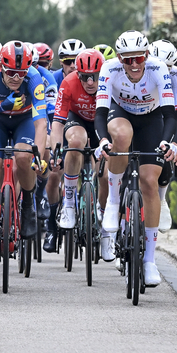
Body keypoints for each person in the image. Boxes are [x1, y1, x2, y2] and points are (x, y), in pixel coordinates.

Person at [95, 30, 177, 288]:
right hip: (121, 112)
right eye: (127, 59)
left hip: (152, 118)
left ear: (146, 55)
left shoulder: (158, 69)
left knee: (149, 182)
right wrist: (102, 140)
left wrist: (167, 141)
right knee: (121, 136)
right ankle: (112, 201)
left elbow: (170, 113)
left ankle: (150, 261)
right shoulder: (109, 69)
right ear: (119, 58)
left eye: (138, 59)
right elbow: (100, 113)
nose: (133, 65)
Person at [0, 41, 48, 252]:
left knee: (23, 156)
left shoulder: (34, 79)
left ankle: (28, 204)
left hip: (23, 122)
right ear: (0, 66)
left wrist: (37, 155)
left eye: (21, 73)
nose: (16, 79)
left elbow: (41, 122)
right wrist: (2, 106)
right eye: (10, 73)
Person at [50, 48, 106, 252]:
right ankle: (70, 202)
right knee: (75, 141)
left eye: (95, 77)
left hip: (102, 122)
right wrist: (55, 150)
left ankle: (103, 210)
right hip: (78, 120)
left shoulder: (109, 81)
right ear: (77, 75)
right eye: (84, 77)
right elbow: (58, 121)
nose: (90, 82)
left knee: (105, 168)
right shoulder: (69, 83)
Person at [150, 39, 177, 232]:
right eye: (161, 67)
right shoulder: (142, 68)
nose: (166, 71)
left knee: (165, 152)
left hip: (162, 114)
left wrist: (175, 143)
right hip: (138, 113)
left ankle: (161, 199)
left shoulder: (175, 74)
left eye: (169, 67)